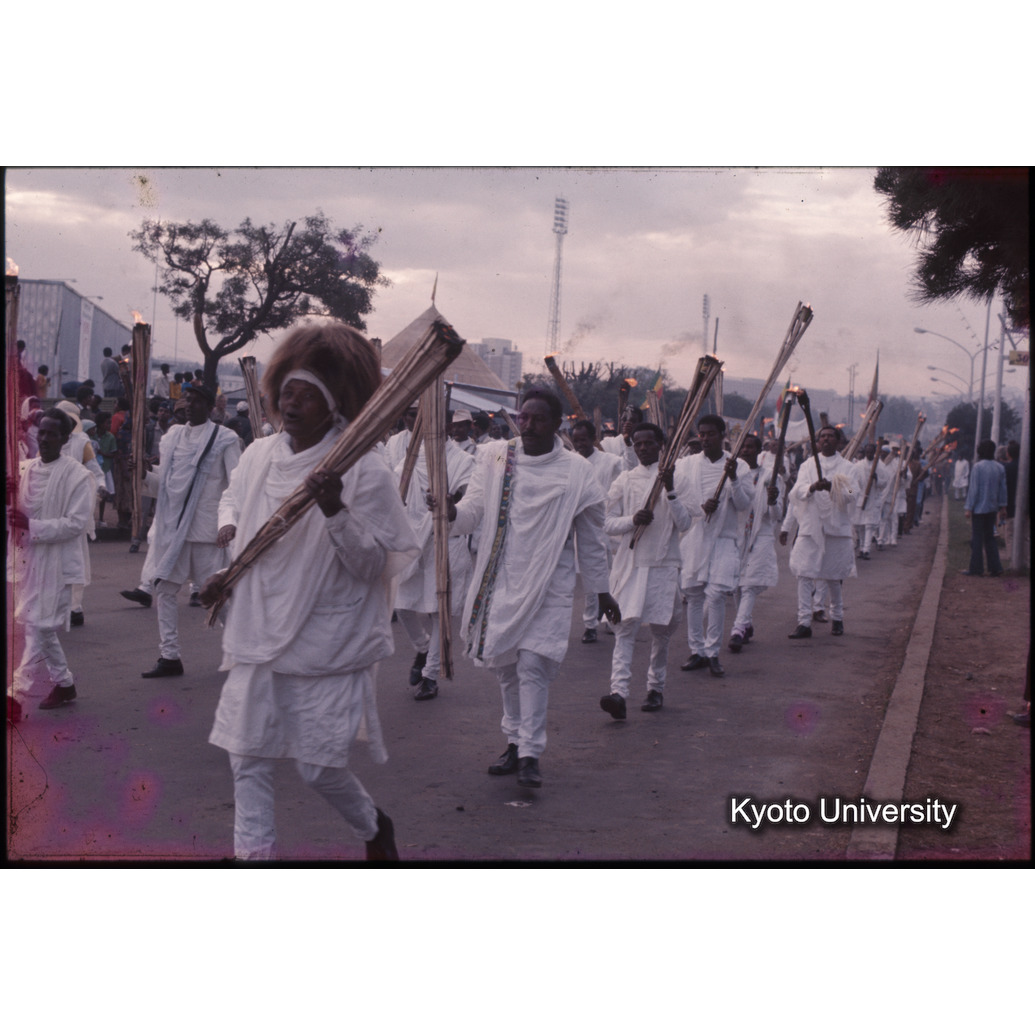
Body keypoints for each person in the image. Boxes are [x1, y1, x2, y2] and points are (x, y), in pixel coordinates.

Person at [202, 321, 418, 861]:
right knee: (246, 757)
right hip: (257, 632)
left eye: (307, 395)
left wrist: (333, 507)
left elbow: (374, 565)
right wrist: (226, 578)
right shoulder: (258, 457)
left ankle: (373, 825)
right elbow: (251, 538)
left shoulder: (363, 469)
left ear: (334, 405)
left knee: (318, 767)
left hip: (327, 639)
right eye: (287, 391)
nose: (291, 404)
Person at [435, 388, 621, 788]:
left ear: (557, 425)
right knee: (506, 667)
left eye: (538, 419)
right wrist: (450, 512)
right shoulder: (496, 458)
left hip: (550, 582)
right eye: (523, 417)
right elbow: (472, 513)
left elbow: (592, 541)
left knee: (533, 664)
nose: (529, 425)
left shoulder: (577, 472)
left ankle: (531, 753)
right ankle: (514, 743)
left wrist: (601, 591)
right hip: (500, 578)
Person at [125, 382, 241, 676]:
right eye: (187, 400)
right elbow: (166, 486)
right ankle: (170, 656)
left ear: (211, 407)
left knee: (215, 596)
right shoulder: (172, 438)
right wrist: (143, 475)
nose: (189, 406)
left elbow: (237, 487)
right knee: (164, 589)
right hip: (173, 530)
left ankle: (242, 652)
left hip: (206, 533)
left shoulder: (225, 439)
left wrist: (230, 522)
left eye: (196, 401)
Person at [7, 408, 95, 722]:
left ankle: (15, 694)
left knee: (39, 626)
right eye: (41, 432)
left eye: (52, 434)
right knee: (39, 626)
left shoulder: (78, 476)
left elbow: (76, 524)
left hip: (58, 563)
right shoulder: (24, 470)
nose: (44, 439)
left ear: (65, 439)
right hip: (29, 561)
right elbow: (15, 516)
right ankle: (65, 684)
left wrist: (32, 525)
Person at [599, 422, 690, 717]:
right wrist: (632, 520)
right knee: (625, 628)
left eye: (649, 443)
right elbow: (606, 522)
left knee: (661, 632)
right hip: (632, 565)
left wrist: (671, 489)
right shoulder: (625, 479)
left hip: (663, 566)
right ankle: (618, 693)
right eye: (637, 444)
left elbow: (685, 523)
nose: (643, 449)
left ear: (661, 445)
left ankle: (655, 688)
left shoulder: (676, 477)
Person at [394, 421, 476, 700]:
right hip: (414, 541)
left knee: (440, 611)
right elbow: (397, 490)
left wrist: (450, 503)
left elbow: (469, 497)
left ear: (445, 429)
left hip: (447, 542)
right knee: (401, 603)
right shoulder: (409, 460)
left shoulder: (463, 460)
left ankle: (430, 675)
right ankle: (422, 646)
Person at [676, 414, 752, 677]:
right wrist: (700, 507)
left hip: (724, 538)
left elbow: (743, 504)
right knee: (694, 594)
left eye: (711, 434)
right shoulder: (686, 465)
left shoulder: (739, 465)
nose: (705, 438)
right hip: (695, 536)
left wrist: (733, 479)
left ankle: (712, 652)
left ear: (722, 436)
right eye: (702, 434)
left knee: (717, 594)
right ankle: (696, 650)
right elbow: (678, 500)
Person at [787, 425, 859, 639]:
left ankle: (837, 618)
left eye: (830, 437)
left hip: (836, 529)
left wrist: (832, 488)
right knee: (804, 573)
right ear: (817, 442)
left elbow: (853, 493)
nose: (826, 440)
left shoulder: (848, 467)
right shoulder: (808, 465)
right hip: (811, 528)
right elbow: (796, 491)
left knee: (833, 577)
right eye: (822, 437)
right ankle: (803, 622)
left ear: (839, 441)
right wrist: (812, 488)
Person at [729, 434, 782, 651]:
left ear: (759, 451)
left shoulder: (770, 476)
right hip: (736, 535)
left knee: (749, 583)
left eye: (750, 447)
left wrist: (773, 500)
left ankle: (738, 629)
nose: (745, 450)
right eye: (742, 447)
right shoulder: (732, 474)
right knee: (736, 584)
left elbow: (777, 514)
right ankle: (746, 624)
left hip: (761, 535)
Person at [570, 418, 622, 643]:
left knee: (611, 575)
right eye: (576, 441)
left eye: (584, 440)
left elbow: (620, 490)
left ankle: (610, 620)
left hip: (608, 525)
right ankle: (590, 623)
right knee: (591, 574)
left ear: (594, 439)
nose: (580, 445)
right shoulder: (571, 462)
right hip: (584, 526)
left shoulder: (611, 462)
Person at [963, 439, 1007, 577]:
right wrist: (1003, 506)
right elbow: (1003, 489)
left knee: (977, 538)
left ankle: (976, 568)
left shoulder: (978, 467)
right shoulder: (999, 467)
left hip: (978, 509)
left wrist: (969, 508)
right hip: (992, 508)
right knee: (990, 537)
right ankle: (995, 567)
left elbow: (973, 490)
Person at [602, 406, 643, 471]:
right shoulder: (608, 443)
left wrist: (628, 443)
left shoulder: (644, 446)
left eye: (632, 421)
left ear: (640, 423)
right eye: (624, 420)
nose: (627, 423)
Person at [1001, 440, 1019, 562]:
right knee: (1025, 536)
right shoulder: (1025, 466)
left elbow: (1004, 488)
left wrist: (1002, 507)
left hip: (1010, 506)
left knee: (1010, 534)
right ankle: (1026, 561)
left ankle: (1012, 559)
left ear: (1008, 454)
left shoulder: (1007, 468)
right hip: (1025, 508)